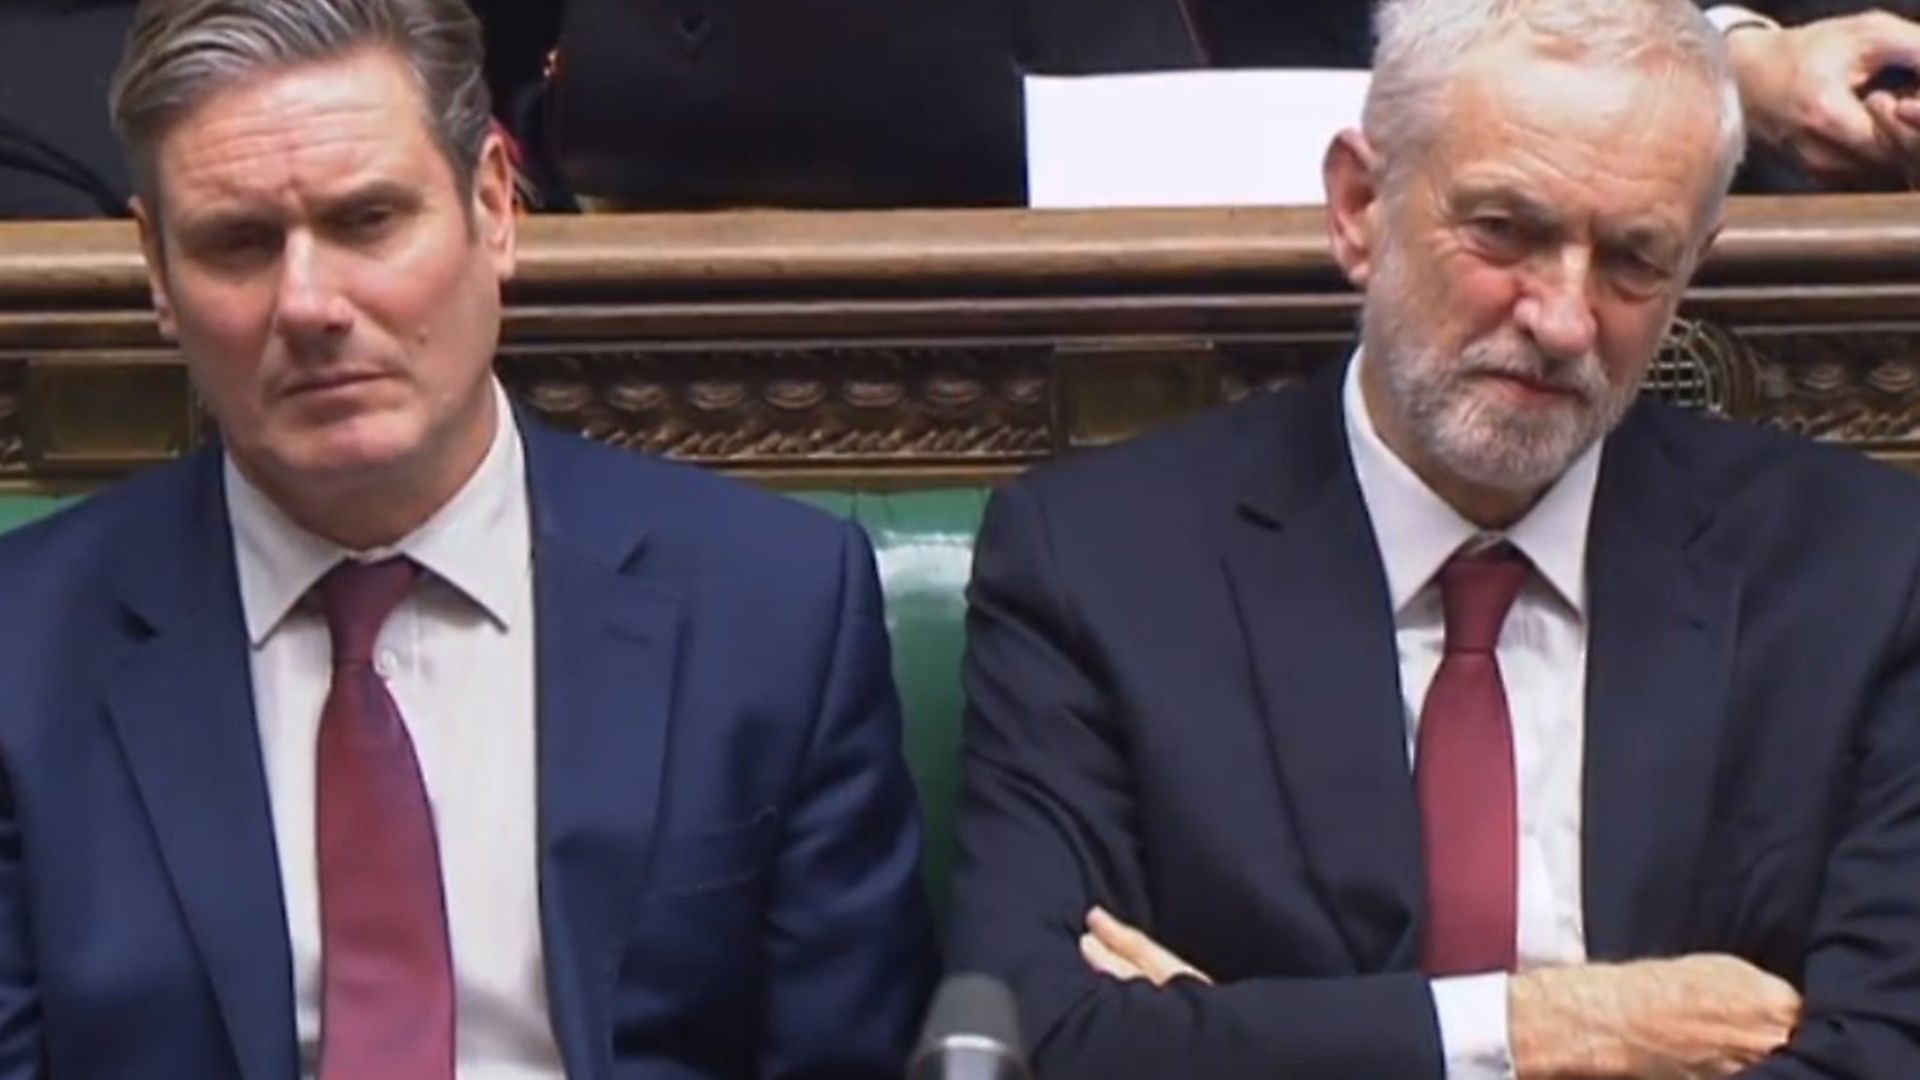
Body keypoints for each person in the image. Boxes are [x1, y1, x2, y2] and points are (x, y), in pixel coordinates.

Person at [948, 0, 1920, 1077]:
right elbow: (1038, 1041)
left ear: (1694, 263)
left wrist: (1248, 1039)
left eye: (1634, 261)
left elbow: (1880, 1053)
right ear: (1361, 207)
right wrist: (1550, 1030)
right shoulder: (1099, 562)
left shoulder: (1864, 572)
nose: (1562, 320)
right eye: (1507, 230)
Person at [0, 0, 934, 1076]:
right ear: (158, 272)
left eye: (366, 222)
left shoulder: (771, 611)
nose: (309, 304)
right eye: (240, 245)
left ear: (494, 205)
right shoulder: (24, 652)